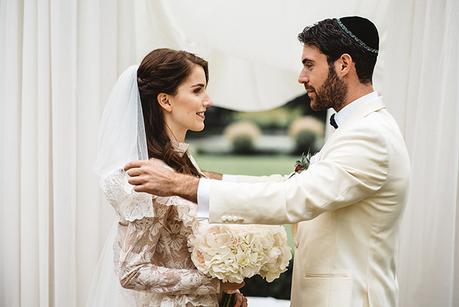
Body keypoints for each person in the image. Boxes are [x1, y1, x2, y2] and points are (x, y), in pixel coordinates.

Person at [124, 17, 411, 307]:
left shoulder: (370, 135)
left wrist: (181, 184)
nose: (301, 77)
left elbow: (292, 197)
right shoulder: (357, 129)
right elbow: (292, 184)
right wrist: (214, 180)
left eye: (309, 64)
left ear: (344, 64)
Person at [89, 48, 247, 307]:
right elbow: (131, 271)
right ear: (166, 100)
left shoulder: (183, 161)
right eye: (197, 90)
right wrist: (215, 283)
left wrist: (228, 295)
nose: (207, 100)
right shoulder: (146, 176)